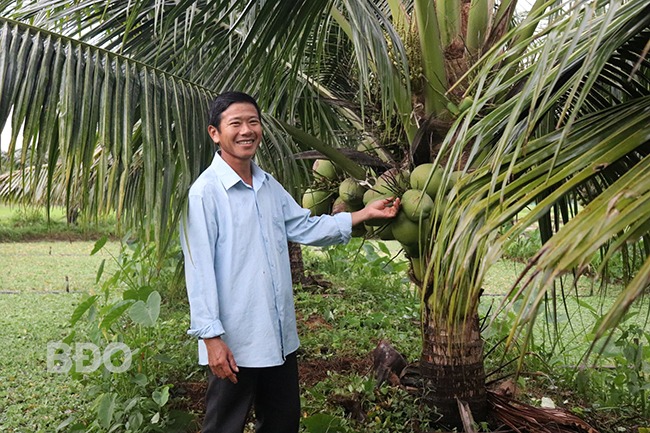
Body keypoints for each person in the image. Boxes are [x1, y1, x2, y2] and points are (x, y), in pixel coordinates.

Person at [181, 91, 400, 433]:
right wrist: (211, 339)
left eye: (252, 122)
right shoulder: (204, 193)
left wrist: (363, 213)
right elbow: (199, 270)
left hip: (279, 338)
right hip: (235, 341)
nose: (246, 131)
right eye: (235, 123)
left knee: (282, 423)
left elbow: (305, 226)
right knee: (224, 426)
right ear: (215, 133)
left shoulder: (268, 185)